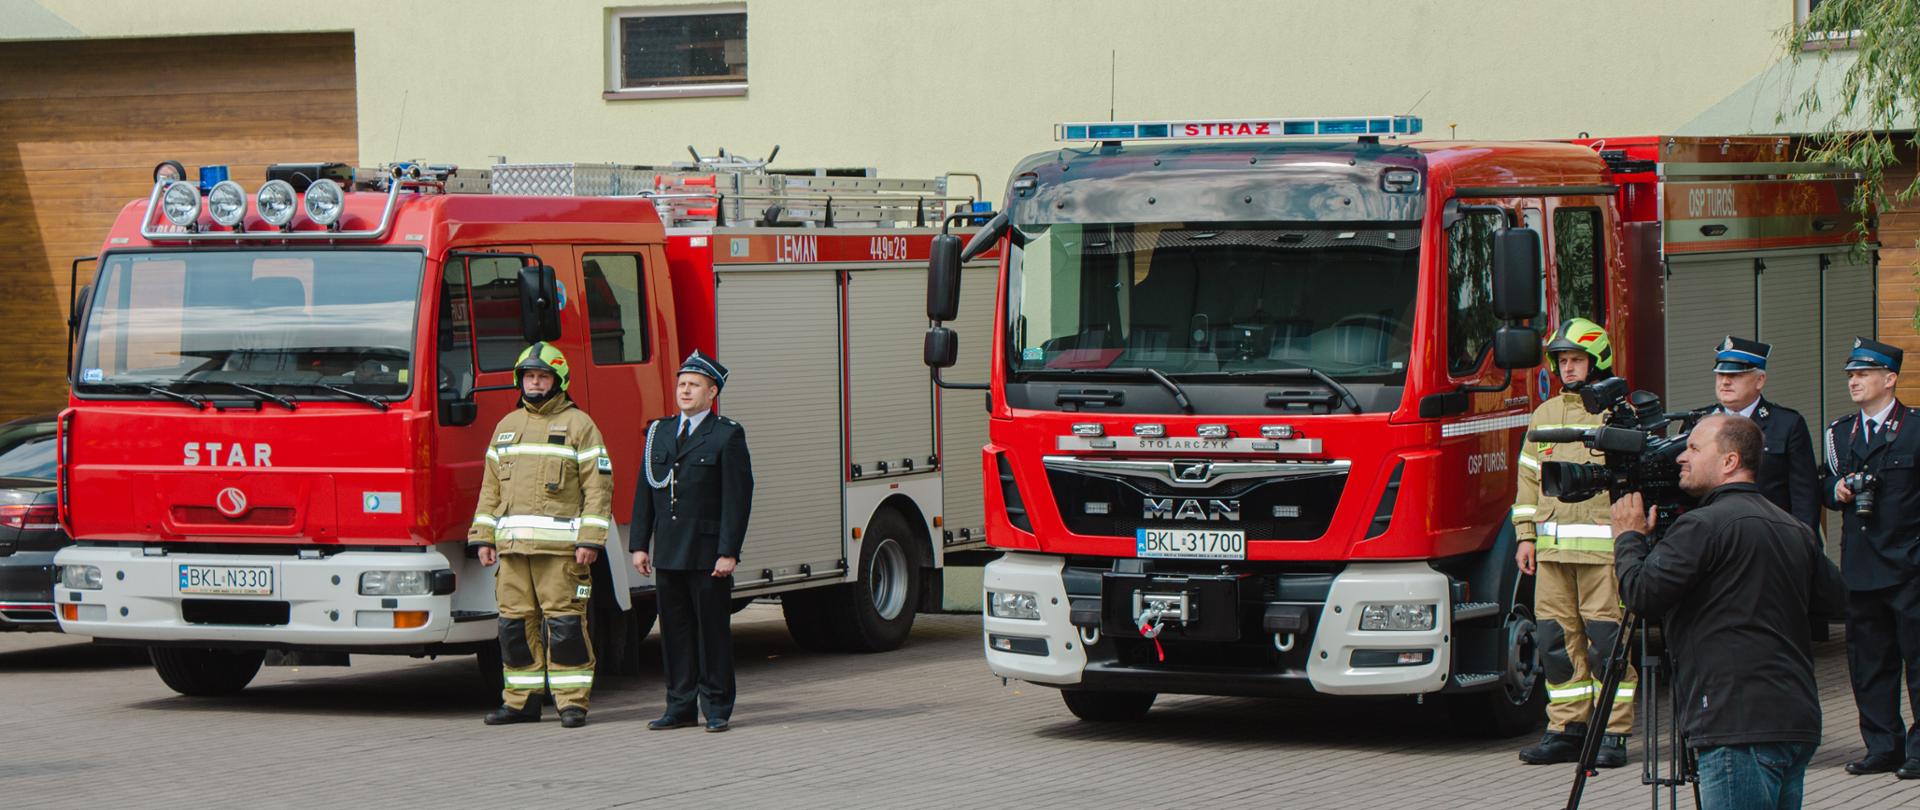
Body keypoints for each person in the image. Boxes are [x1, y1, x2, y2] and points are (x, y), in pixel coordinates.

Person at [1611, 414, 1845, 810]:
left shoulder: (1702, 527)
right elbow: (1836, 601)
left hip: (1735, 725)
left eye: (1694, 448)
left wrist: (1629, 538)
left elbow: (1642, 595)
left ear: (1730, 461)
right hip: (1794, 719)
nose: (1681, 457)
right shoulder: (1792, 528)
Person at [469, 342, 614, 729]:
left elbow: (598, 489)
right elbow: (490, 489)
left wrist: (590, 540)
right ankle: (521, 703)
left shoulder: (580, 425)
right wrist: (483, 536)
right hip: (513, 553)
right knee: (513, 629)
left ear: (558, 380)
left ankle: (572, 703)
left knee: (566, 628)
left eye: (543, 376)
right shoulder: (506, 427)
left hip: (561, 554)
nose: (534, 383)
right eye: (529, 376)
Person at [1512, 317, 1634, 767]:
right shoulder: (1544, 415)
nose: (1568, 368)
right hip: (1552, 555)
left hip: (1603, 556)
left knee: (1606, 642)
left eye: (1577, 360)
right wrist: (1525, 537)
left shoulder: (1617, 415)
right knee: (1555, 643)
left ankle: (1612, 732)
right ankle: (1567, 729)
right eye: (1562, 360)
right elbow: (1528, 483)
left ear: (1597, 361)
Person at [632, 350, 753, 733]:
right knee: (675, 634)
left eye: (694, 385)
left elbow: (737, 498)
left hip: (706, 553)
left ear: (711, 392)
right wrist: (639, 544)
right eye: (682, 384)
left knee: (711, 634)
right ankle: (679, 706)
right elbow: (645, 491)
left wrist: (728, 551)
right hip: (669, 551)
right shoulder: (660, 432)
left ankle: (716, 707)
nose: (685, 391)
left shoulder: (726, 434)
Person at [1821, 337, 1920, 779]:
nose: (1854, 381)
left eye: (1863, 374)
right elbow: (1824, 483)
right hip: (1861, 568)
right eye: (1851, 375)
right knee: (1869, 665)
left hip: (1910, 566)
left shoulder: (1915, 428)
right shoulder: (1839, 432)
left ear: (1890, 378)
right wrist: (1837, 490)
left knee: (1917, 663)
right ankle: (1882, 747)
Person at [1703, 336, 1820, 534]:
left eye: (1735, 375)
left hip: (1770, 535)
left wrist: (1800, 542)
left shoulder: (1787, 423)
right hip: (1714, 534)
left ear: (1760, 380)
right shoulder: (1700, 423)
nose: (1725, 382)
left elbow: (1804, 495)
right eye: (1720, 374)